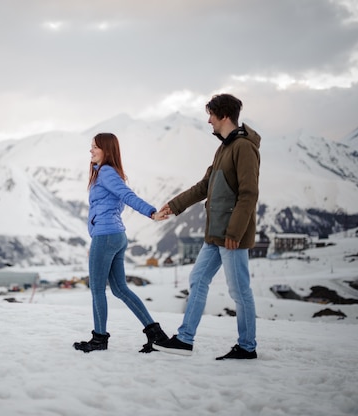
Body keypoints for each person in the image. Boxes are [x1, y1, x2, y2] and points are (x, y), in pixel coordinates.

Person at [154, 94, 260, 360]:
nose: (208, 120)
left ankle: (247, 347)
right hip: (215, 234)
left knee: (239, 291)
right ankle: (184, 339)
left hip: (231, 236)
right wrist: (173, 205)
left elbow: (249, 194)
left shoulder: (243, 148)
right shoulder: (225, 147)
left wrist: (234, 232)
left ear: (223, 116)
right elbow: (205, 186)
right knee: (198, 279)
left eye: (211, 114)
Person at [73, 132, 171, 353]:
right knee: (120, 289)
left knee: (98, 289)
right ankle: (155, 333)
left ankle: (99, 339)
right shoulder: (110, 173)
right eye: (91, 146)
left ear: (107, 150)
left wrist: (151, 213)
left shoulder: (106, 173)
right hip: (117, 236)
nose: (91, 150)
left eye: (95, 147)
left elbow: (128, 196)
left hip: (106, 236)